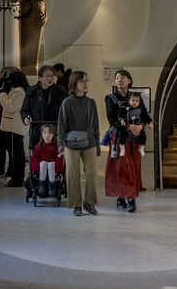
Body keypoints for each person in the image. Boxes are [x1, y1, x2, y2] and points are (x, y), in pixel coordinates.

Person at [58, 70, 102, 216]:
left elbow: (96, 125)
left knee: (91, 173)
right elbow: (61, 126)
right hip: (71, 144)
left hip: (89, 143)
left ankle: (89, 203)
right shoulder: (67, 102)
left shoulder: (91, 103)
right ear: (74, 83)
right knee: (72, 174)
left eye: (86, 80)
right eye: (82, 81)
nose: (85, 84)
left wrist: (97, 145)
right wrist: (61, 145)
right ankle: (76, 204)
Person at [106, 89, 152, 212]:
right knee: (123, 168)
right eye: (117, 77)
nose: (120, 80)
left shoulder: (135, 97)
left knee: (134, 168)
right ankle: (122, 197)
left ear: (129, 80)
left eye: (122, 77)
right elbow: (112, 120)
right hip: (121, 139)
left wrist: (140, 126)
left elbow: (143, 116)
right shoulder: (111, 98)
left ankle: (132, 198)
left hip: (135, 141)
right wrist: (128, 127)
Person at [0, 67, 29, 188]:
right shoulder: (18, 90)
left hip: (14, 127)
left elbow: (10, 106)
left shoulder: (19, 91)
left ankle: (16, 180)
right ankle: (13, 177)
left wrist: (2, 94)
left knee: (16, 155)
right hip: (11, 127)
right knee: (14, 153)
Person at [20, 63, 65, 151]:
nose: (50, 79)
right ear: (40, 78)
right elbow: (24, 110)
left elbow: (64, 110)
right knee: (38, 156)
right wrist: (26, 118)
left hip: (54, 128)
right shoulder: (31, 91)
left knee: (54, 156)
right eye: (47, 76)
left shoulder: (60, 92)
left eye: (52, 76)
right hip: (37, 128)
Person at [27, 122, 65, 199]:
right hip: (42, 166)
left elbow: (59, 159)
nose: (47, 135)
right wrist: (35, 171)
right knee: (43, 163)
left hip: (52, 166)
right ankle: (42, 184)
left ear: (53, 135)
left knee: (51, 164)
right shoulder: (38, 146)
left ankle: (52, 185)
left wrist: (58, 172)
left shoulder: (55, 146)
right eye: (44, 133)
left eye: (49, 133)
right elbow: (34, 159)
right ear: (41, 134)